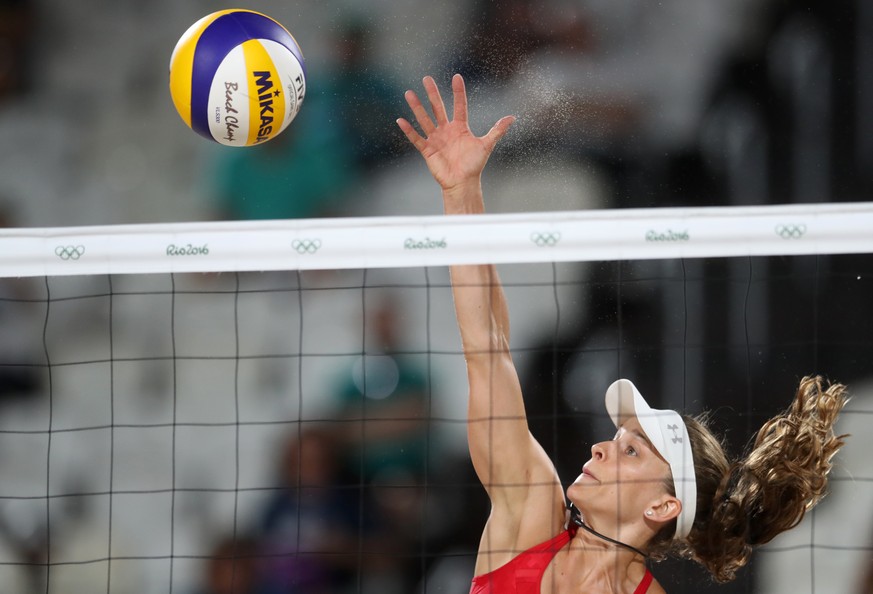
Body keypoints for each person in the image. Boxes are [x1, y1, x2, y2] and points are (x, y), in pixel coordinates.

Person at [396, 74, 849, 593]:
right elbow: (487, 348)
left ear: (662, 505)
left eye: (630, 450)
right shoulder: (531, 509)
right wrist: (461, 192)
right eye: (619, 442)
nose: (598, 449)